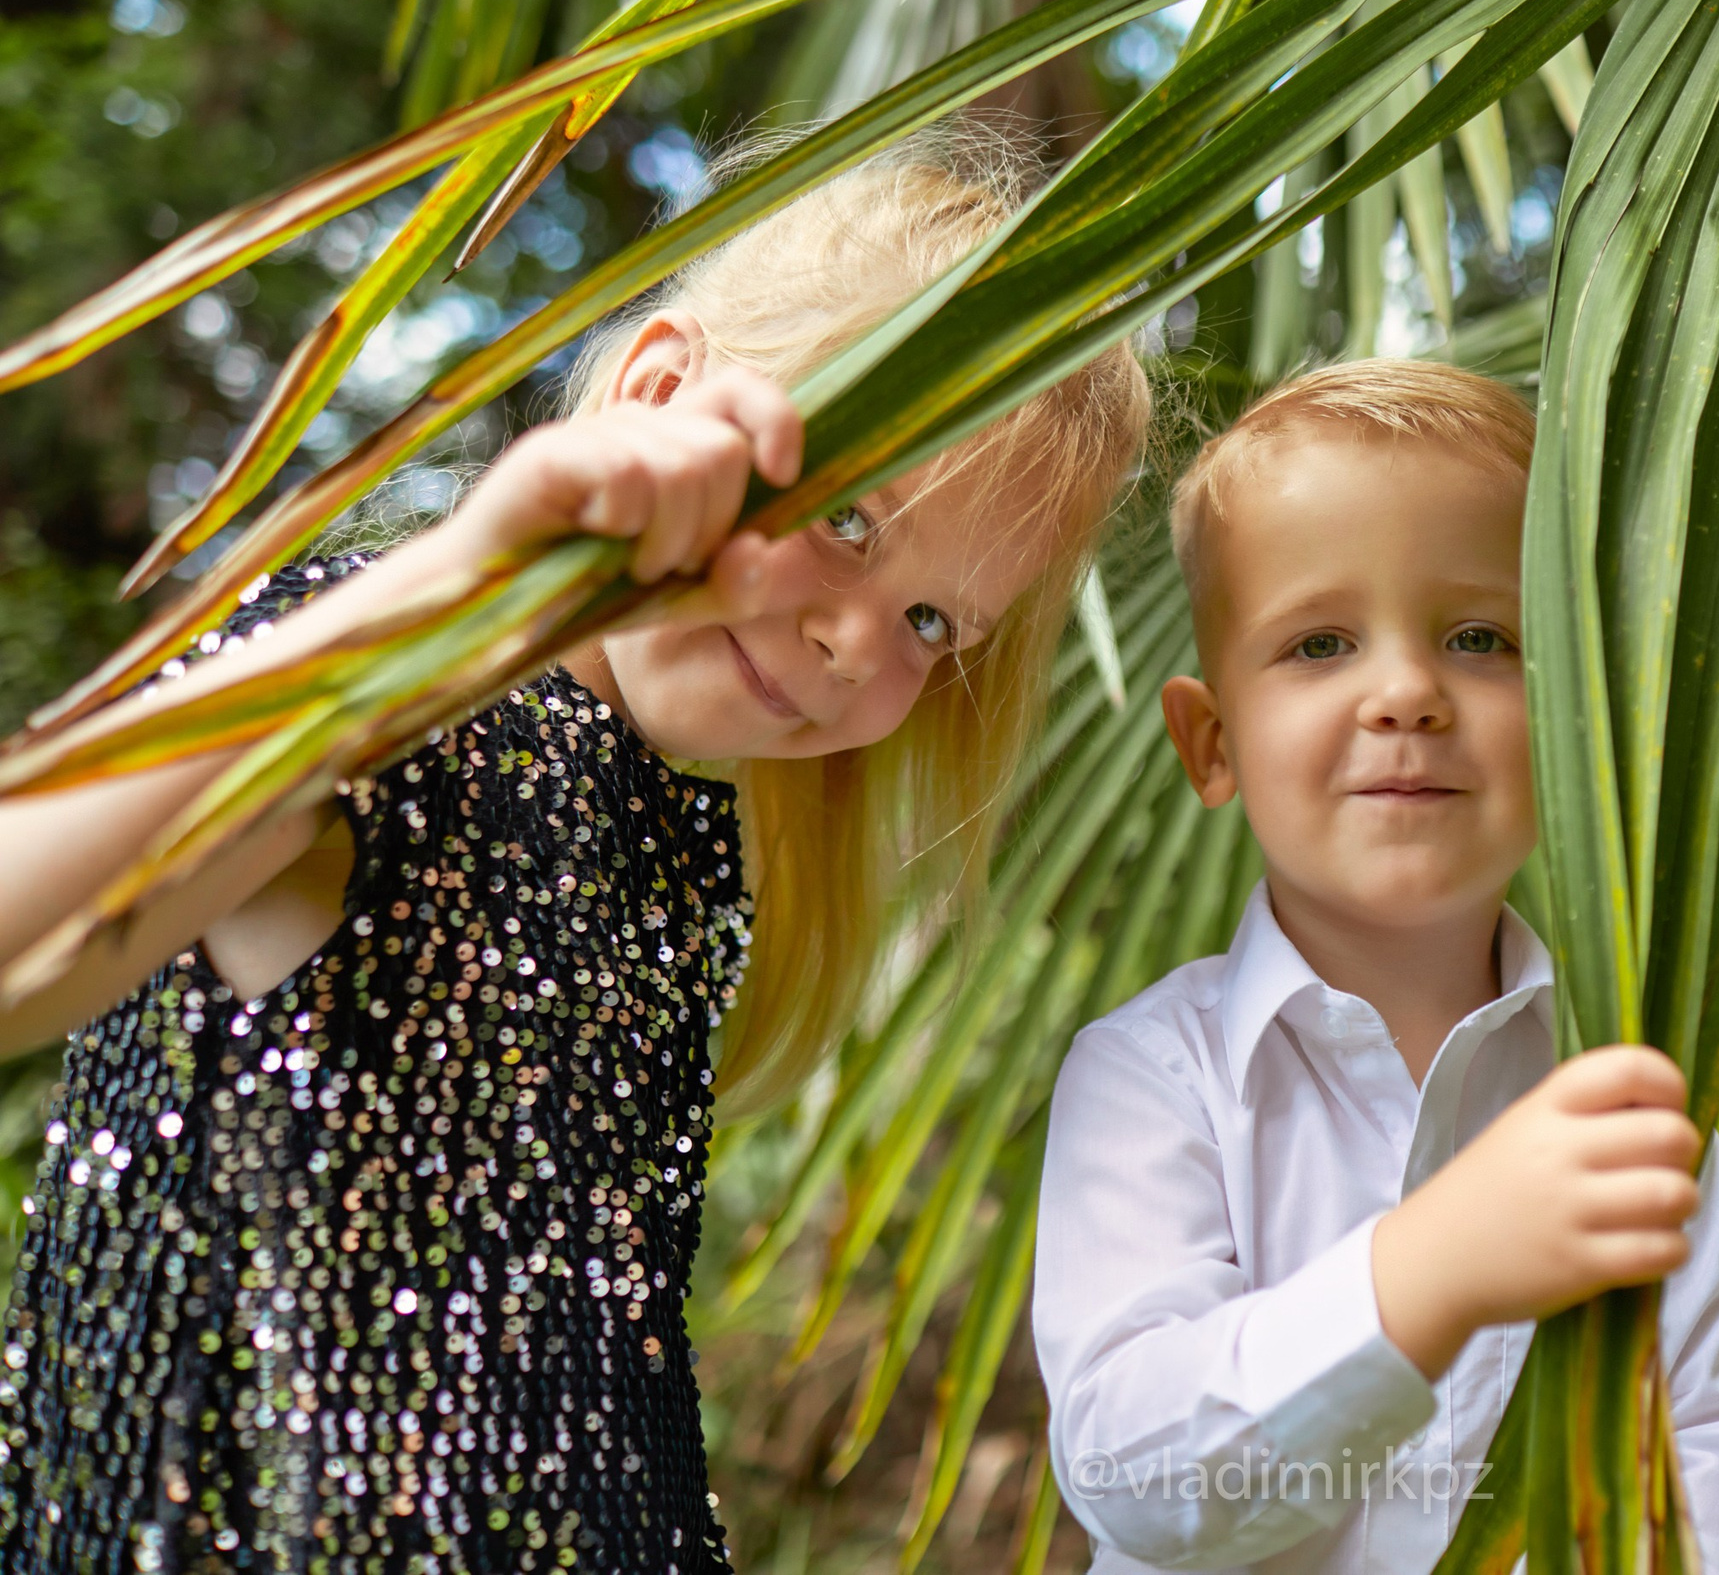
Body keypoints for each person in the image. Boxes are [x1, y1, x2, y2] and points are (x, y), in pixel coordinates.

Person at [0, 138, 1151, 1575]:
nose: (863, 639)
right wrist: (460, 589)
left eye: (935, 622)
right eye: (850, 516)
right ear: (663, 395)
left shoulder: (672, 852)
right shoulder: (409, 711)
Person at [1032, 359, 1719, 1574]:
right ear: (1209, 744)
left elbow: (1718, 1460)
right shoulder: (1155, 1076)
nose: (1409, 693)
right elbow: (1129, 1470)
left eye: (1479, 638)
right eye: (1319, 644)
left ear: (1573, 716)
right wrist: (1431, 1269)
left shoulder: (1638, 1101)